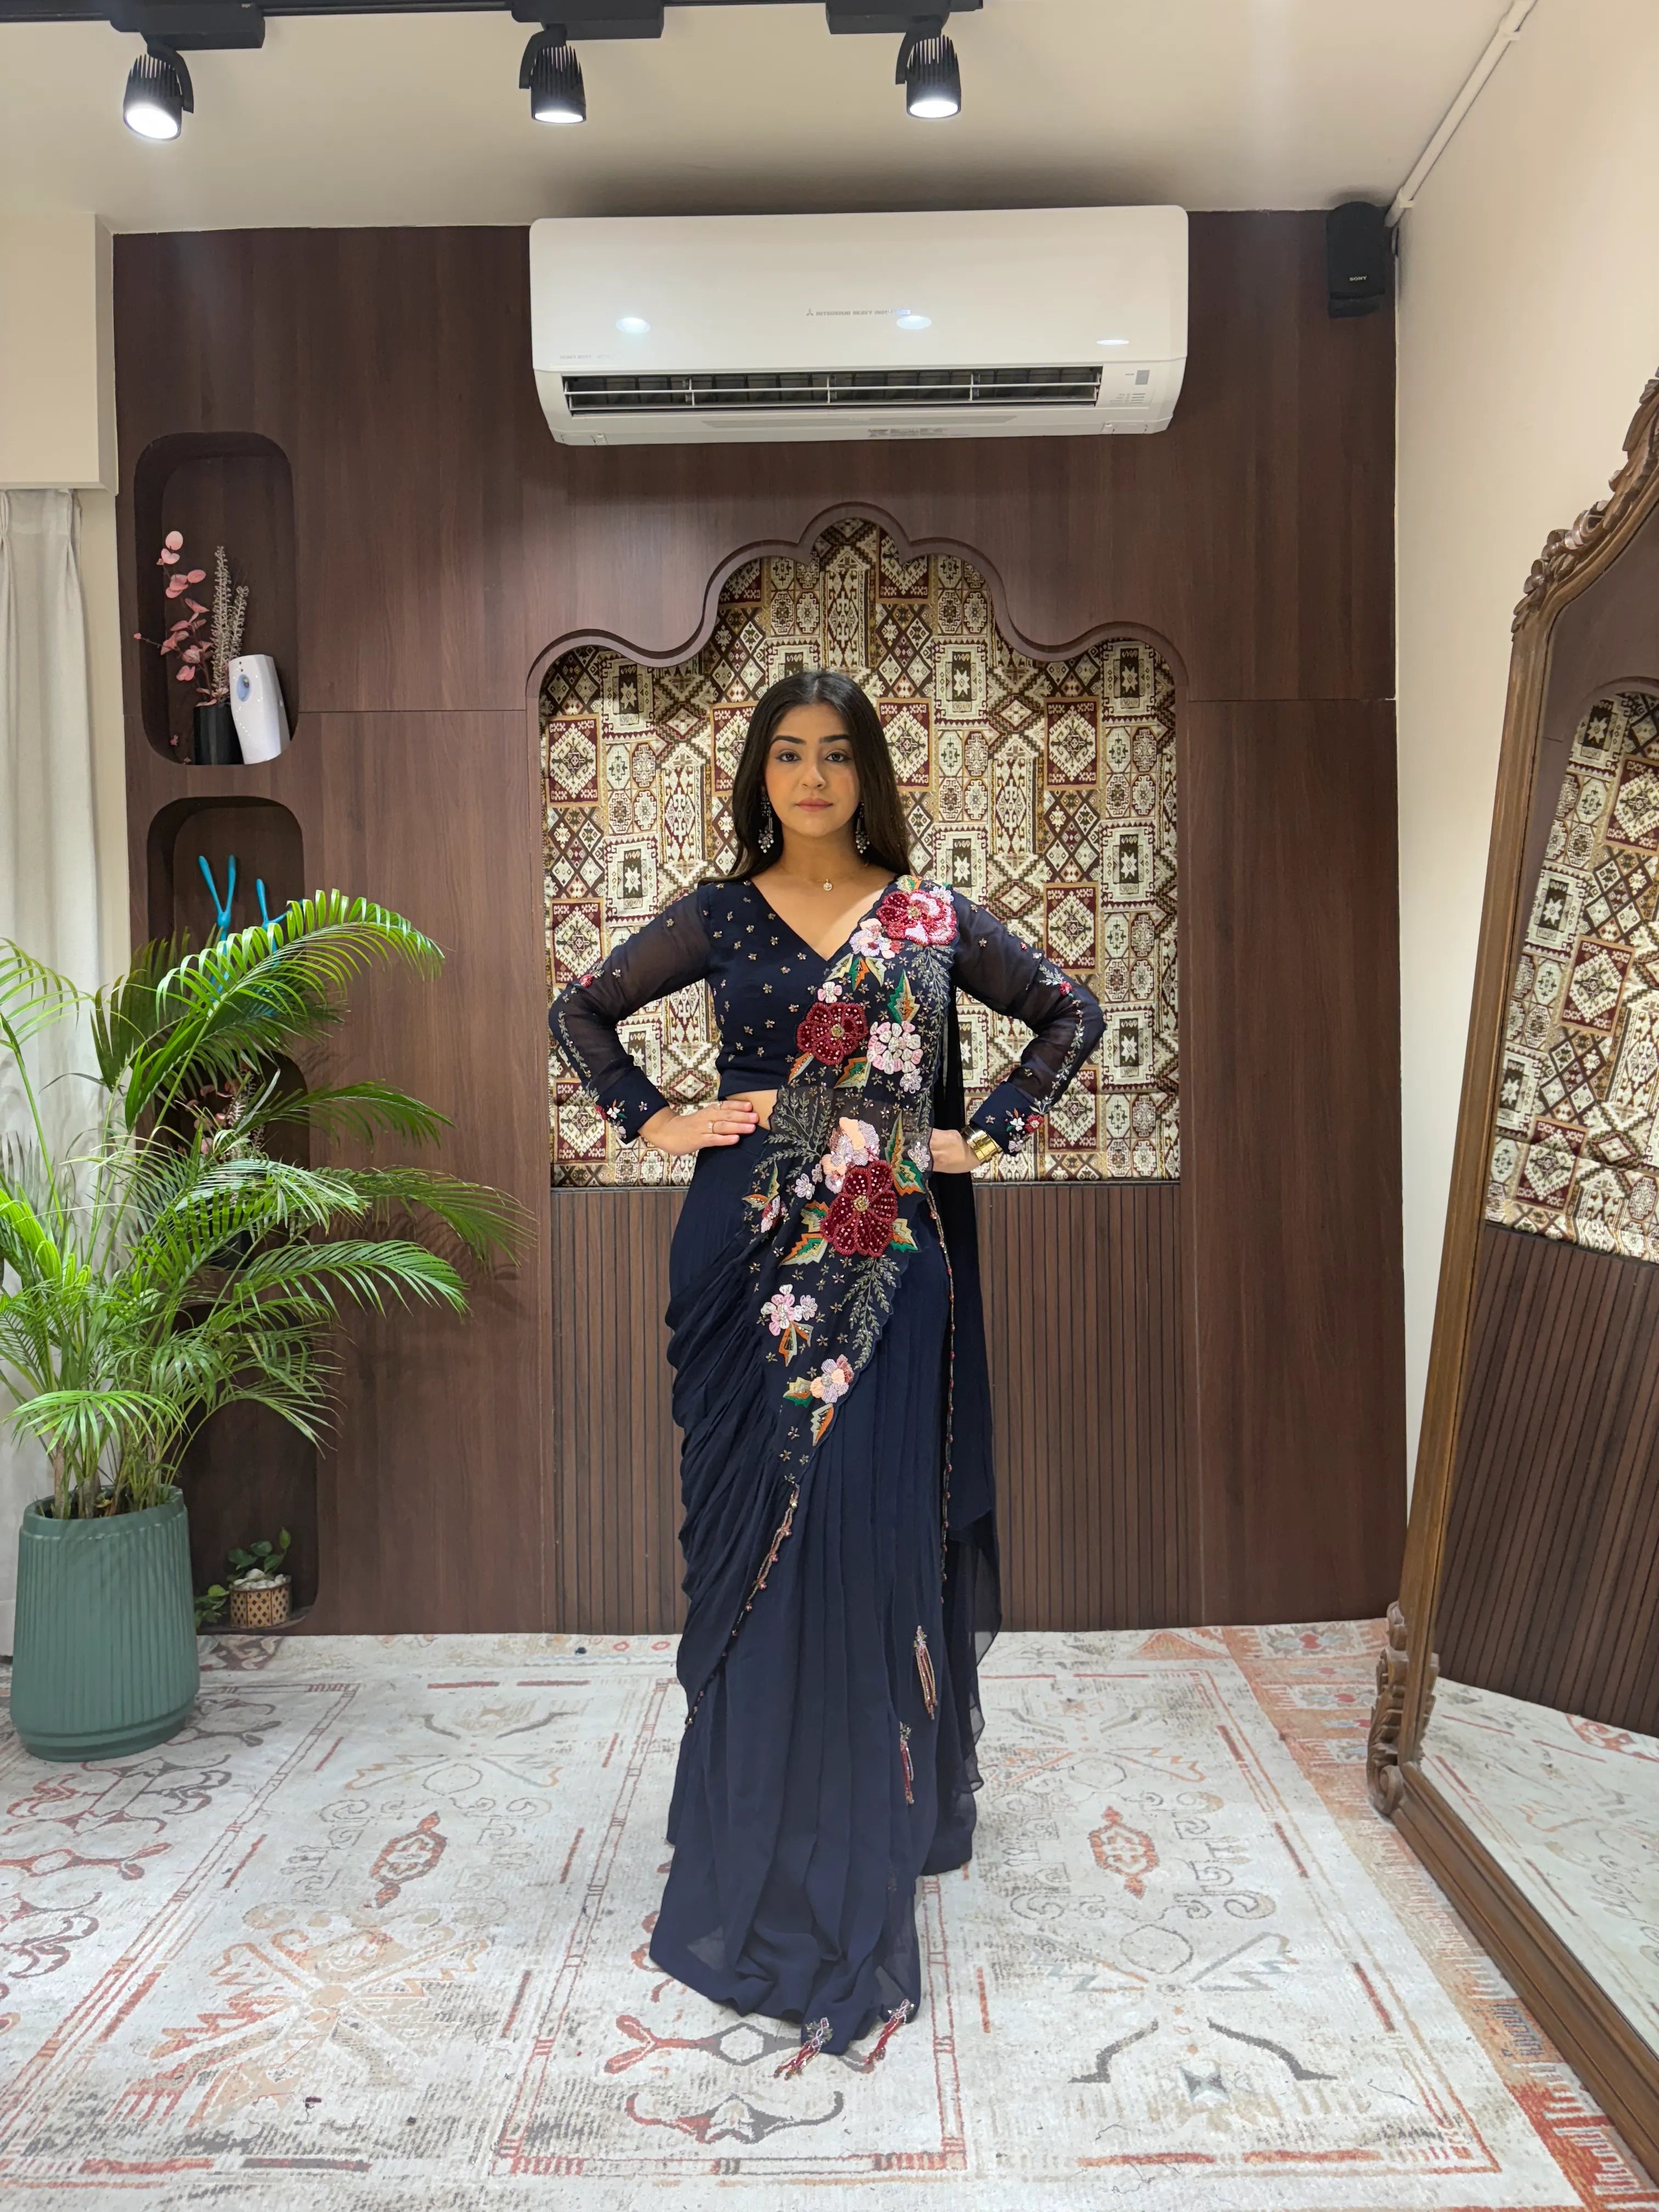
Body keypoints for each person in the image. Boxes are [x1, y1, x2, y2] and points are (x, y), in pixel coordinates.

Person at [549, 668, 1104, 2070]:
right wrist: (656, 1119)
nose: (811, 777)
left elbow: (1072, 1015)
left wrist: (990, 1132)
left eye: (837, 755)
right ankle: (750, 1821)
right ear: (760, 773)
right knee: (751, 1559)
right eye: (788, 754)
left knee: (859, 1553)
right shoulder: (721, 913)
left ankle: (864, 1825)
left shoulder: (929, 920)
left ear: (868, 776)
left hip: (885, 1275)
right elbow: (578, 1014)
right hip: (741, 1273)